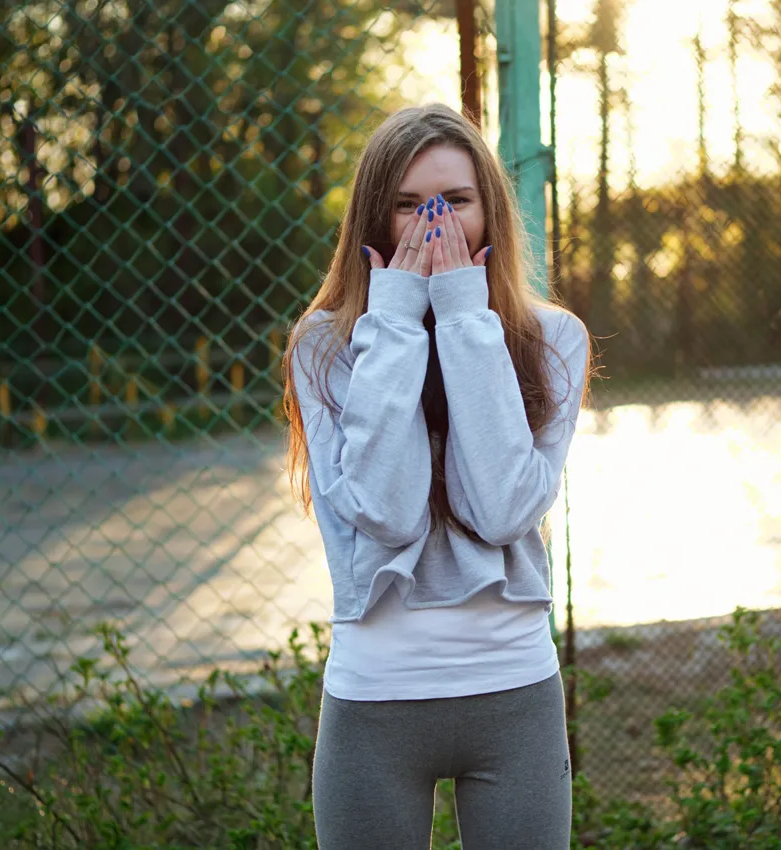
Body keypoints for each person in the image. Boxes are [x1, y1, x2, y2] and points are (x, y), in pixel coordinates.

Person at [280, 102, 590, 850]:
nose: (433, 226)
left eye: (454, 202)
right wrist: (392, 319)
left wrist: (461, 315)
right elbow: (386, 513)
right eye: (410, 205)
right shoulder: (324, 346)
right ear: (373, 222)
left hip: (513, 694)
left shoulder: (553, 339)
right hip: (375, 700)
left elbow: (503, 511)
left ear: (490, 213)